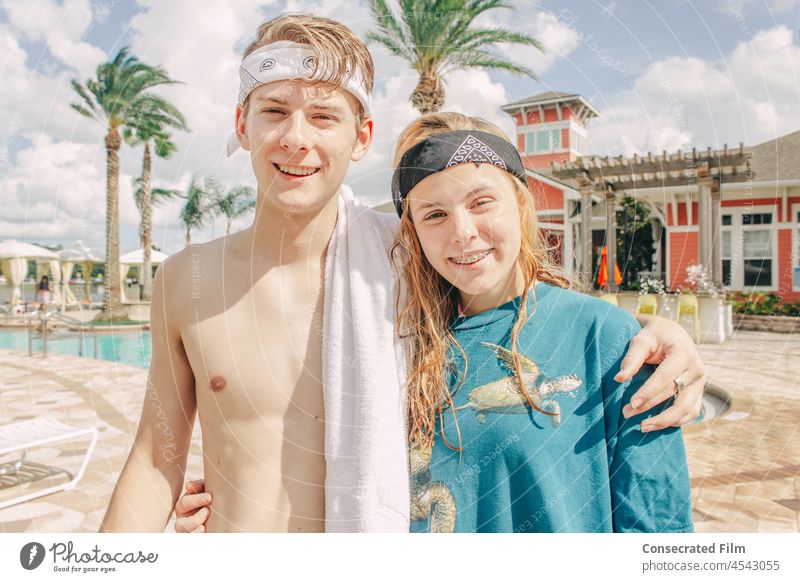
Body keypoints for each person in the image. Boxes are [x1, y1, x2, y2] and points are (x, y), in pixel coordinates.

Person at [105, 14, 703, 534]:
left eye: (323, 115)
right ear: (242, 123)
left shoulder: (410, 257)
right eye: (274, 111)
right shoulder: (185, 281)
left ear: (361, 136)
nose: (295, 138)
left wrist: (664, 338)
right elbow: (154, 460)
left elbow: (524, 305)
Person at [392, 113, 693, 532]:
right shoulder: (395, 346)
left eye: (481, 202)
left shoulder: (608, 339)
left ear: (520, 202)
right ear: (413, 232)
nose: (462, 232)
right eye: (434, 214)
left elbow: (658, 528)